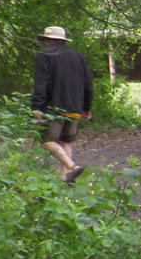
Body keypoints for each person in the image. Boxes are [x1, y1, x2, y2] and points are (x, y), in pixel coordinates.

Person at [31, 25, 94, 184]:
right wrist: (86, 107)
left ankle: (72, 167)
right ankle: (65, 180)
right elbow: (88, 83)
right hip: (74, 108)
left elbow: (41, 84)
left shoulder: (44, 55)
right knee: (66, 141)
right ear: (63, 40)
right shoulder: (77, 56)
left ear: (47, 40)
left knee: (46, 141)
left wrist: (37, 108)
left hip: (54, 108)